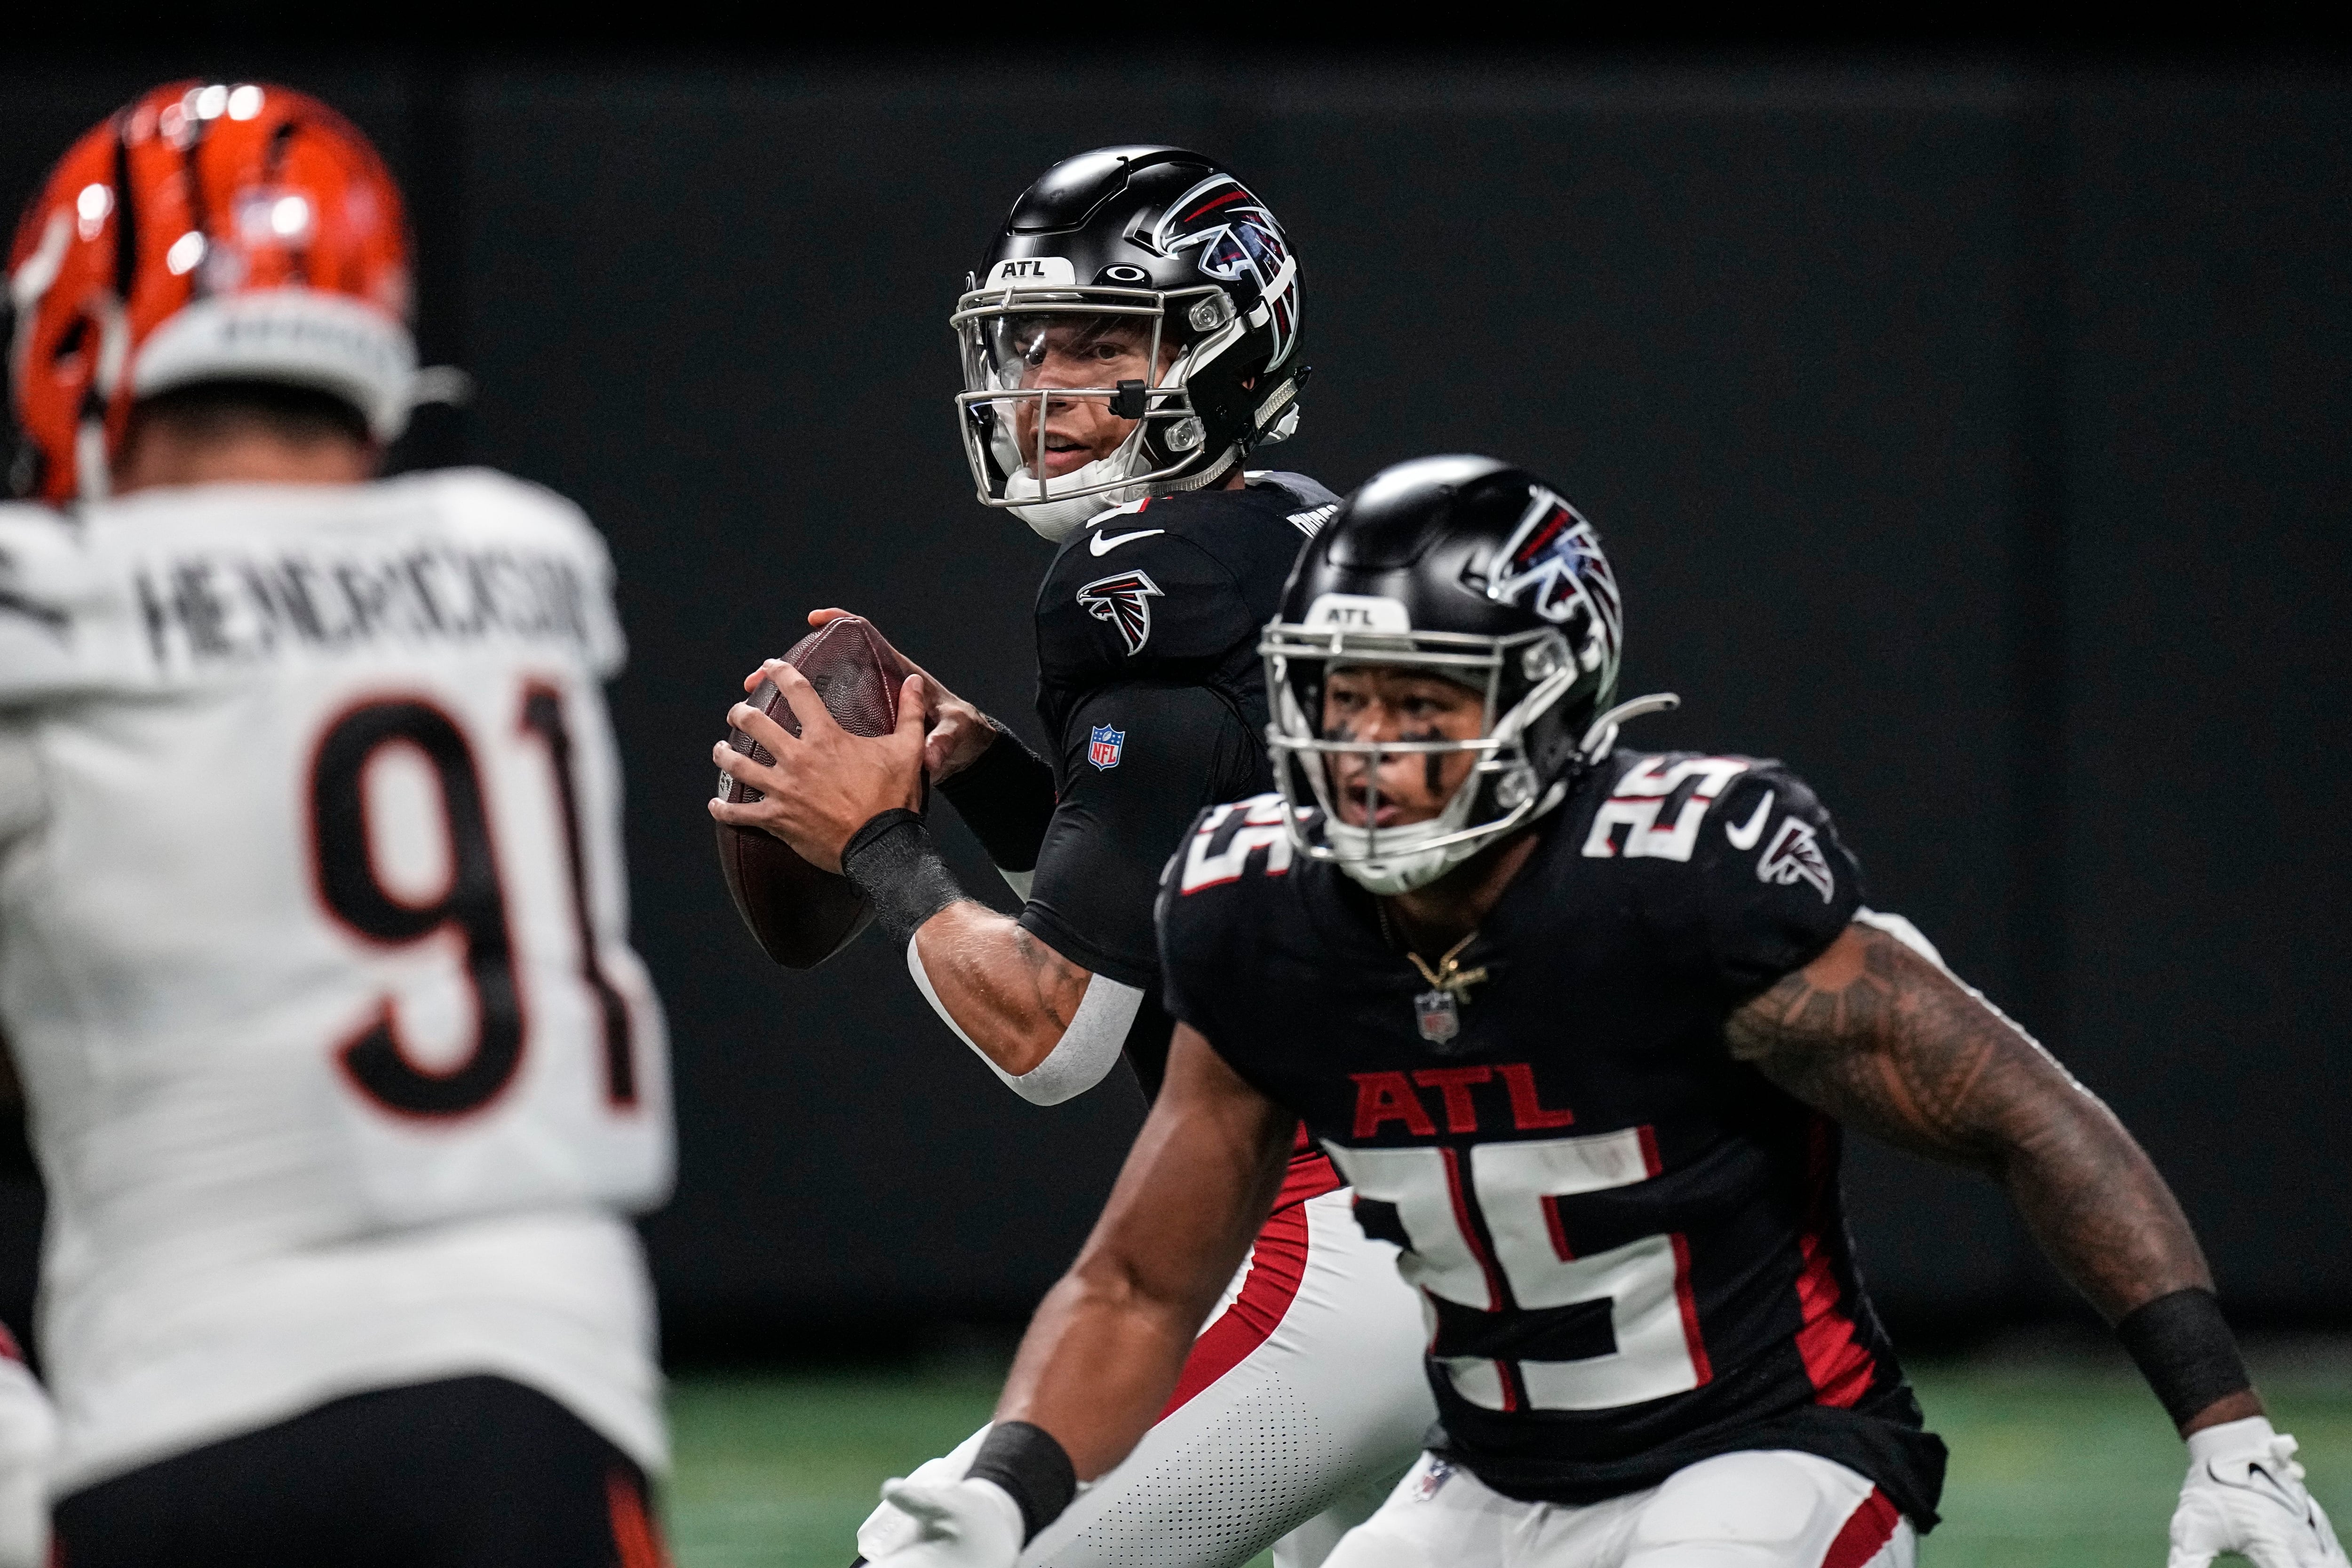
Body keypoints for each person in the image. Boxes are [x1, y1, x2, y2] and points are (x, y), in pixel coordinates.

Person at [841, 454, 2347, 1568]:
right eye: (1336, 696)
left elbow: (2027, 1114)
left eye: (1419, 703)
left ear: (1544, 705)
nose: (1366, 750)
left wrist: (2228, 1431)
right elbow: (1139, 1286)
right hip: (1488, 1476)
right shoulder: (1260, 896)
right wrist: (1014, 1491)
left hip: (1768, 1455)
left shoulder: (1687, 882)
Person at [711, 147, 1432, 1566]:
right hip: (1468, 1218)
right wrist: (986, 780)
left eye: (1104, 342)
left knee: (943, 1555)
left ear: (1222, 355)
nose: (1044, 385)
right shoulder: (1296, 531)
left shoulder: (1145, 588)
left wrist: (879, 843)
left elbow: (1055, 1033)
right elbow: (1189, 909)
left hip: (1343, 1230)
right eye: (1031, 342)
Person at [0, 81, 674, 1565]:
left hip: (179, 1406)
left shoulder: (45, 604)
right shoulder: (531, 560)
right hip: (542, 1388)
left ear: (78, 343)